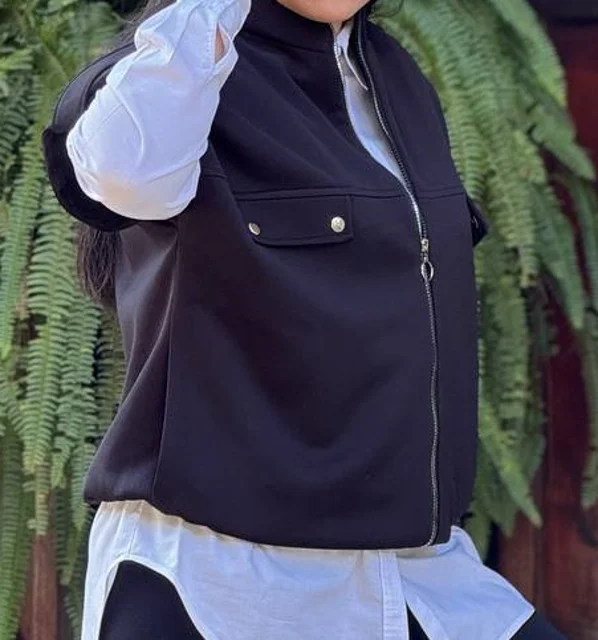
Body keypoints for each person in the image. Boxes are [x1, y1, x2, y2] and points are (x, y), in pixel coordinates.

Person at [42, 0, 568, 638]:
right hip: (222, 582)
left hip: (416, 571)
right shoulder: (175, 73)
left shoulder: (397, 80)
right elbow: (119, 172)